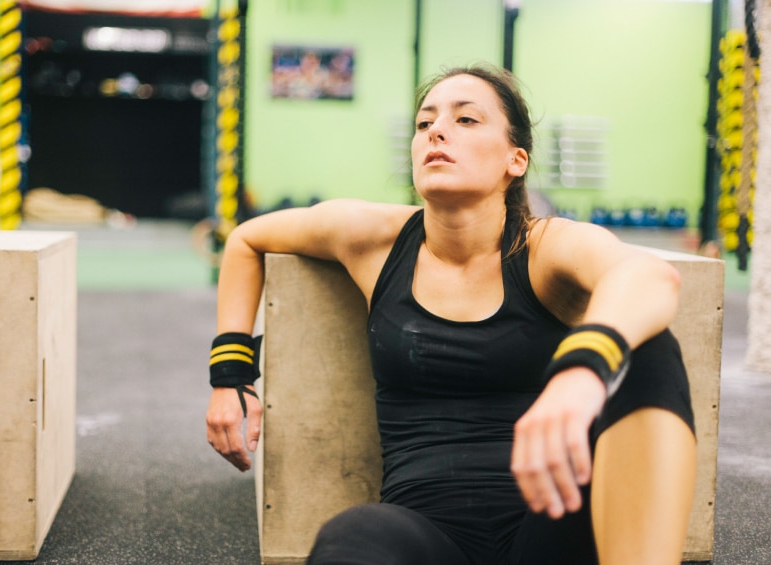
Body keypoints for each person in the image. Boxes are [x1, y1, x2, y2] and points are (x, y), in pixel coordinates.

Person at [205, 63, 697, 564]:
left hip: (549, 525)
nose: (436, 130)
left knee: (649, 350)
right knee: (353, 533)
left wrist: (580, 370)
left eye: (466, 120)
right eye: (424, 123)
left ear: (516, 159)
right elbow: (247, 240)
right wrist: (230, 376)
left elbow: (648, 277)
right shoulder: (373, 239)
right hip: (424, 530)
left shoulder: (544, 246)